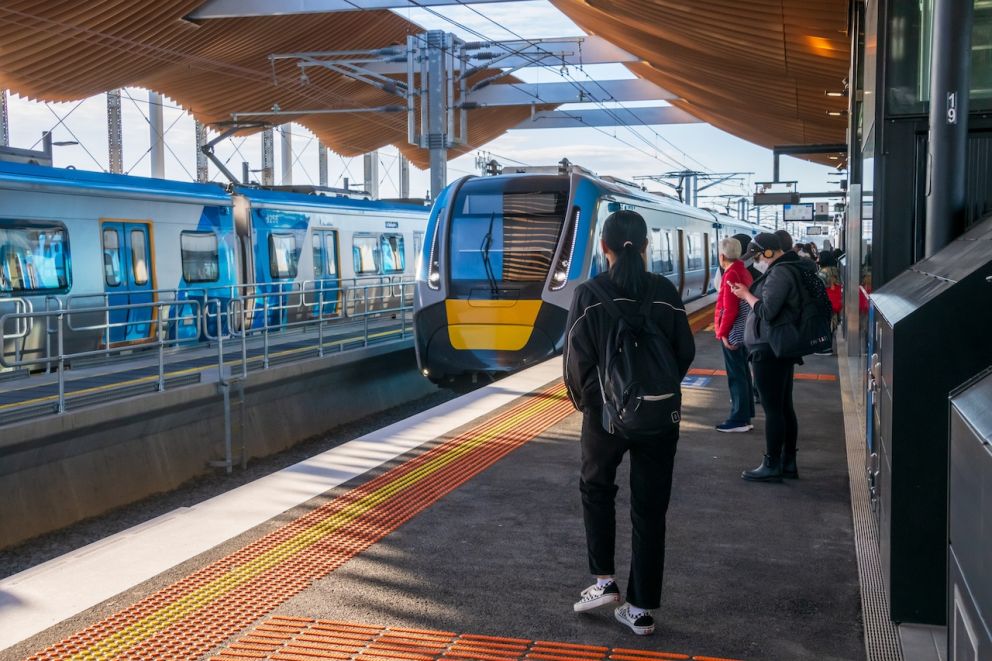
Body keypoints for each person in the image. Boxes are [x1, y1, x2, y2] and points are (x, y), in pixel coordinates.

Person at [564, 210, 695, 636]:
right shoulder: (664, 292)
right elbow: (684, 350)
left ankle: (603, 582)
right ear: (645, 247)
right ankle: (639, 608)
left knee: (597, 489)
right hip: (659, 416)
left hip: (605, 416)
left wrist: (594, 405)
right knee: (650, 508)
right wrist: (657, 392)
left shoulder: (589, 294)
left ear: (604, 247)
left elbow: (576, 362)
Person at [729, 232, 813, 482]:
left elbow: (767, 310)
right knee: (784, 406)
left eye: (756, 256)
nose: (755, 262)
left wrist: (745, 294)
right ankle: (788, 462)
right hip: (777, 347)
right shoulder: (787, 269)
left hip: (769, 349)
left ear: (768, 253)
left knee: (774, 409)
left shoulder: (780, 273)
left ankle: (772, 464)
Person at [713, 237, 754, 432]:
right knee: (743, 373)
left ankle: (738, 419)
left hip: (734, 332)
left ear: (722, 256)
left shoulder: (730, 274)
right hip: (743, 330)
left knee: (736, 374)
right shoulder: (742, 270)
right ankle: (745, 415)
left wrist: (722, 333)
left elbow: (729, 309)